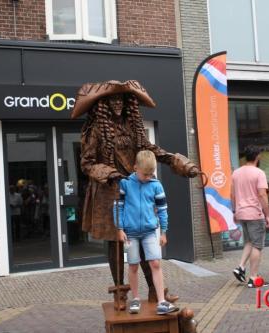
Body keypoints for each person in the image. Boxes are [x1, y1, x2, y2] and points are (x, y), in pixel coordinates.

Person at [72, 80, 199, 309]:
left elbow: (151, 151)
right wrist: (109, 173)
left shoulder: (133, 127)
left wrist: (177, 162)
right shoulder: (96, 130)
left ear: (128, 102)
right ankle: (121, 292)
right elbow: (87, 163)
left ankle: (154, 291)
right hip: (109, 192)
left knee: (143, 238)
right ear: (103, 104)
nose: (117, 103)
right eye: (112, 100)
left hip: (136, 190)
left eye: (121, 99)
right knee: (116, 242)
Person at [116, 150, 179, 315]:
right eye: (145, 174)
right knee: (133, 265)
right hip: (130, 233)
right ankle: (135, 299)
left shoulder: (156, 185)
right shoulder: (125, 184)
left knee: (156, 263)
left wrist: (164, 232)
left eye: (151, 174)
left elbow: (163, 210)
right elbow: (119, 207)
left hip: (150, 231)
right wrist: (120, 228)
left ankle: (162, 302)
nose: (148, 177)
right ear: (135, 167)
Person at [231, 145, 269, 288]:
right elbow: (262, 195)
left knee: (249, 241)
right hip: (255, 213)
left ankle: (240, 267)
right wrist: (268, 215)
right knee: (257, 245)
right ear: (257, 157)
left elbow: (232, 194)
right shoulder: (259, 173)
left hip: (241, 212)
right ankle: (254, 278)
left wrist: (234, 211)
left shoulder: (236, 173)